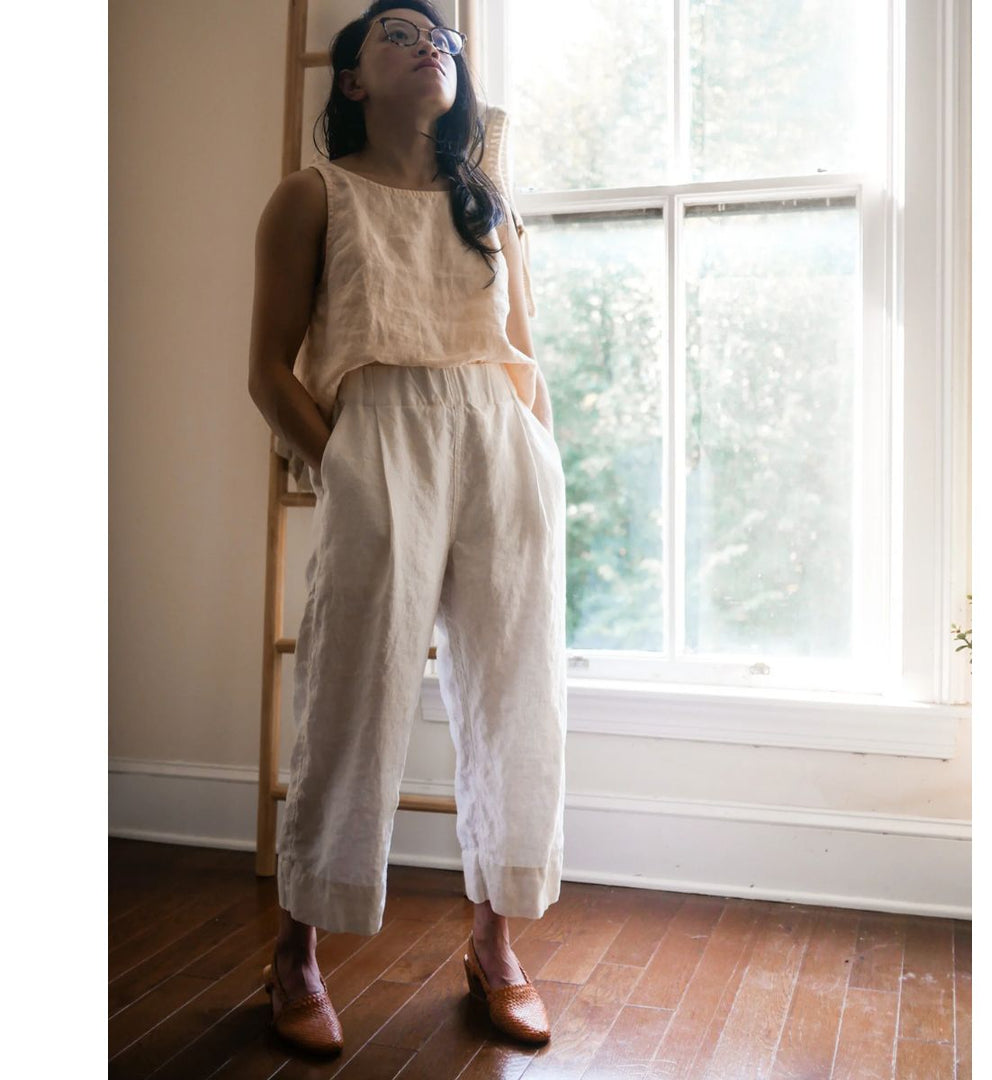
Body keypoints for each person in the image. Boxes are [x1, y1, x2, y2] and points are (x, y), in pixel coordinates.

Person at [247, 0, 567, 1056]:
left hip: (500, 443)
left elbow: (524, 358)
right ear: (351, 80)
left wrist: (538, 453)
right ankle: (295, 954)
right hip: (378, 439)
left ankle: (496, 947)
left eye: (445, 39)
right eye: (398, 33)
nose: (431, 43)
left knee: (516, 691)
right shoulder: (311, 196)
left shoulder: (487, 204)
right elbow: (268, 371)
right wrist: (342, 462)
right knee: (349, 694)